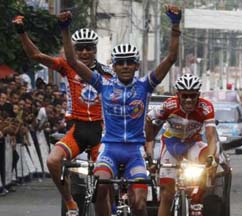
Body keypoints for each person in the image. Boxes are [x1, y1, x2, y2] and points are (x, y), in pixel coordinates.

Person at [59, 4, 181, 216]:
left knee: (140, 203)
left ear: (136, 66)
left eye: (130, 62)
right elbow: (72, 61)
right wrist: (65, 29)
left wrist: (175, 25)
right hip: (109, 150)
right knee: (101, 187)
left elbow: (170, 58)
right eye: (120, 63)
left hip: (135, 152)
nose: (125, 66)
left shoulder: (145, 85)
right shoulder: (102, 84)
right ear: (113, 67)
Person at [12, 16, 113, 215]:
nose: (85, 52)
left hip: (101, 132)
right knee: (52, 161)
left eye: (89, 48)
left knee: (103, 188)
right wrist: (22, 32)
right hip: (77, 129)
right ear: (74, 50)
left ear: (95, 49)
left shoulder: (108, 74)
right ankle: (70, 202)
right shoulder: (68, 67)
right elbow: (36, 55)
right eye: (80, 48)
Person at [145, 73, 217, 216]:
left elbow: (210, 136)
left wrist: (211, 157)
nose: (189, 100)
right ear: (178, 95)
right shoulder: (169, 105)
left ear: (198, 94)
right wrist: (149, 150)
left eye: (193, 96)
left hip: (192, 144)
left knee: (212, 160)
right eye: (185, 96)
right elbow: (148, 120)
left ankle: (197, 198)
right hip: (171, 147)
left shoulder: (206, 107)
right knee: (166, 195)